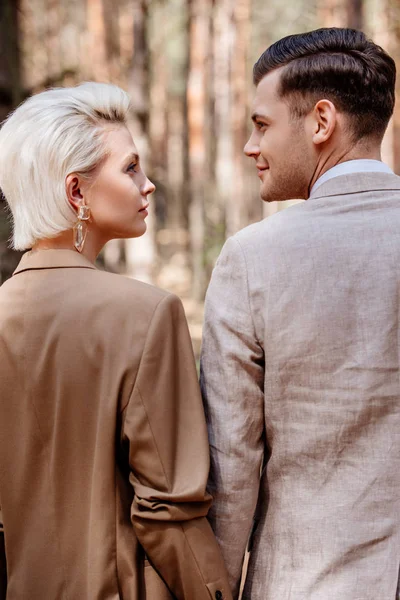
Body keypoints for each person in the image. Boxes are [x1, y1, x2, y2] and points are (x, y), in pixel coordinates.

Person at [0, 82, 232, 600]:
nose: (149, 185)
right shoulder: (147, 314)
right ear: (76, 192)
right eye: (130, 168)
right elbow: (169, 512)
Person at [201, 27, 400, 600]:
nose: (249, 145)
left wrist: (214, 587)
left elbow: (231, 462)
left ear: (320, 122)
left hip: (307, 581)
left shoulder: (253, 258)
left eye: (261, 125)